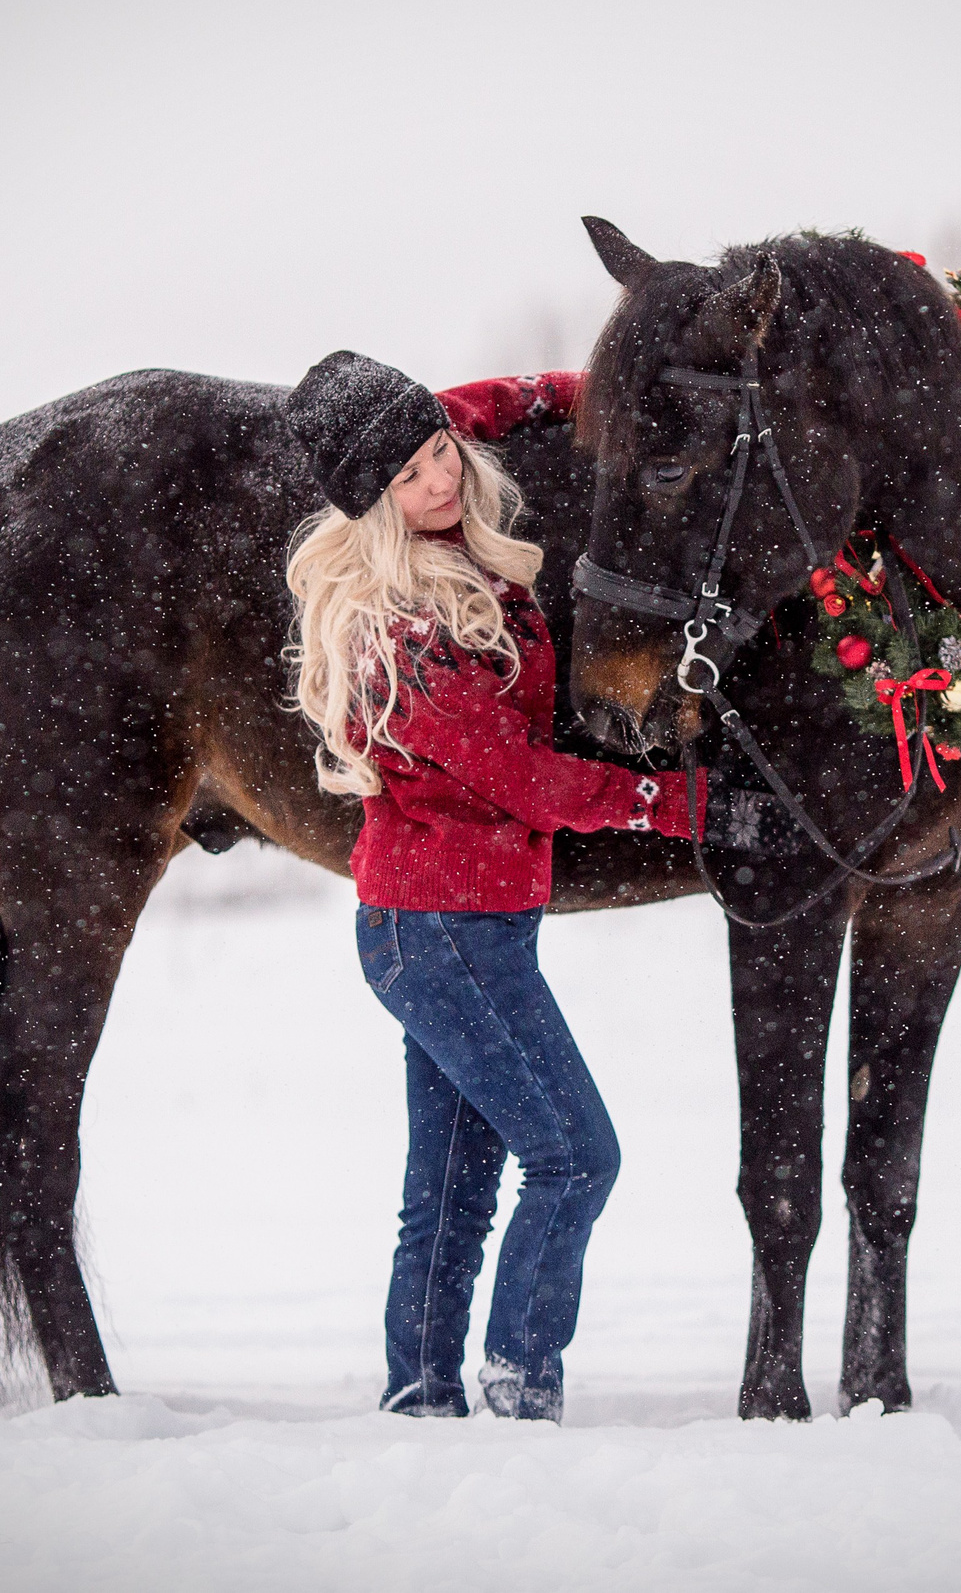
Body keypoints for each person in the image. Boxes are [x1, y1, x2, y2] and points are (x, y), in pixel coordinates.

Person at [282, 351, 787, 1422]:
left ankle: (420, 1397)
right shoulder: (400, 634)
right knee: (574, 1158)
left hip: (468, 925)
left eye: (437, 455)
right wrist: (679, 807)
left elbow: (475, 410)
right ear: (370, 509)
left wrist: (574, 392)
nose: (437, 482)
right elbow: (524, 780)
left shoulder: (451, 529)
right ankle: (521, 1381)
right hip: (437, 931)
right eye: (410, 477)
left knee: (453, 1193)